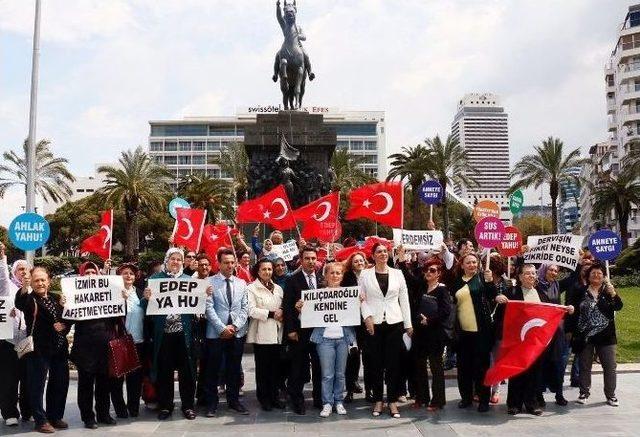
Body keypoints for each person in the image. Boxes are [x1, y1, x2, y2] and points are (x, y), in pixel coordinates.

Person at [142, 248, 212, 421]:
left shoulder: (189, 281)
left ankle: (188, 406)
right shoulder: (154, 280)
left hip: (184, 335)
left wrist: (205, 295)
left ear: (183, 262)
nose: (176, 262)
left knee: (187, 371)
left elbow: (198, 307)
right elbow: (145, 309)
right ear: (167, 261)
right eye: (172, 259)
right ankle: (166, 405)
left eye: (179, 259)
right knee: (164, 372)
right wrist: (146, 298)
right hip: (164, 335)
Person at [499, 264, 573, 416]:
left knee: (535, 372)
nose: (531, 276)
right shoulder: (512, 292)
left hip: (535, 342)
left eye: (533, 273)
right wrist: (499, 298)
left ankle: (532, 403)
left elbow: (551, 311)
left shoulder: (541, 294)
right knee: (517, 371)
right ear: (520, 276)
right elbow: (502, 314)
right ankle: (514, 404)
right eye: (527, 273)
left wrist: (566, 309)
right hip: (517, 341)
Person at [359, 242, 413, 418]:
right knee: (375, 364)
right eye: (379, 251)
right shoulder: (365, 275)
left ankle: (392, 401)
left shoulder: (397, 273)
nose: (383, 254)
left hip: (394, 322)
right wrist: (367, 318)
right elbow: (362, 299)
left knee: (393, 364)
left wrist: (408, 324)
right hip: (373, 324)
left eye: (385, 251)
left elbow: (404, 299)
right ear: (373, 255)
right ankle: (378, 400)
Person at [15, 266, 70, 434]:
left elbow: (68, 318)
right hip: (39, 350)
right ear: (31, 282)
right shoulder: (30, 300)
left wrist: (64, 326)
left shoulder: (57, 298)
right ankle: (41, 420)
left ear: (49, 280)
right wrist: (24, 287)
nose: (40, 283)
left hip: (59, 349)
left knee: (60, 383)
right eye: (36, 280)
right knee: (36, 386)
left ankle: (55, 416)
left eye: (43, 280)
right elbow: (20, 303)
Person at [69, 261, 119, 429]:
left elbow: (119, 317)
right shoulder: (74, 295)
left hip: (105, 346)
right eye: (87, 272)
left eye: (93, 272)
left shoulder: (110, 294)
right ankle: (88, 417)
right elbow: (68, 319)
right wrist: (65, 303)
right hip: (85, 348)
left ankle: (104, 414)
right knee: (86, 385)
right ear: (82, 275)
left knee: (104, 384)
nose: (91, 275)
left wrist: (122, 300)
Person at [567, 263, 623, 406]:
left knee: (610, 366)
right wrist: (571, 327)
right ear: (588, 275)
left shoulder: (608, 290)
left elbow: (619, 306)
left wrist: (614, 294)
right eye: (593, 273)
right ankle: (584, 393)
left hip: (606, 336)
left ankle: (611, 395)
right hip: (585, 336)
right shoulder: (580, 291)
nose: (596, 275)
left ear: (604, 276)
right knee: (585, 365)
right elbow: (572, 309)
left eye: (599, 273)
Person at [204, 248, 249, 416]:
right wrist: (222, 328)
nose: (230, 265)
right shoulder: (209, 282)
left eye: (232, 262)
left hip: (236, 333)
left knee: (234, 369)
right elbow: (208, 308)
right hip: (216, 334)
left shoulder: (241, 283)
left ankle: (234, 401)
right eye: (226, 262)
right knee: (213, 369)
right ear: (219, 263)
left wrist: (235, 326)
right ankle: (211, 404)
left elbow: (245, 308)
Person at [308, 262, 357, 417]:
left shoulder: (350, 294)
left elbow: (356, 315)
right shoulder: (317, 295)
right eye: (332, 273)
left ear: (342, 276)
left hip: (343, 339)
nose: (335, 276)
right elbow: (306, 317)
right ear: (326, 275)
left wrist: (360, 302)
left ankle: (339, 401)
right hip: (324, 340)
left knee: (340, 373)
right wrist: (301, 307)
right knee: (327, 374)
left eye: (338, 273)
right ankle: (327, 403)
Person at [452, 253, 497, 413]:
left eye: (474, 262)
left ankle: (483, 399)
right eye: (468, 262)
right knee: (464, 368)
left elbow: (493, 296)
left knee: (481, 368)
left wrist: (490, 281)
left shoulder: (483, 278)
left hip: (482, 333)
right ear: (462, 265)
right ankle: (466, 398)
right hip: (463, 334)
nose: (472, 265)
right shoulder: (456, 282)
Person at [283, 246, 323, 415]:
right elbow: (287, 306)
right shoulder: (292, 280)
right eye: (307, 258)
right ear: (301, 259)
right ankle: (297, 399)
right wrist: (291, 329)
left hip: (319, 331)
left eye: (313, 258)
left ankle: (319, 398)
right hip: (300, 331)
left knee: (319, 365)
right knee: (298, 367)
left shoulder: (322, 280)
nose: (311, 261)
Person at [411, 259, 451, 411]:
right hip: (420, 333)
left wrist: (430, 320)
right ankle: (422, 397)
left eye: (433, 270)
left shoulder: (442, 289)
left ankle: (438, 401)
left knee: (436, 367)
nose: (429, 272)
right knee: (419, 366)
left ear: (439, 274)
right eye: (427, 270)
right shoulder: (421, 287)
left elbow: (446, 311)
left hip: (435, 334)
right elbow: (409, 278)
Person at [246, 258, 286, 411]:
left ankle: (274, 396)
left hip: (277, 333)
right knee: (263, 369)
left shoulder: (278, 288)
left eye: (270, 269)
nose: (267, 272)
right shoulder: (252, 288)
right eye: (264, 269)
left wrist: (282, 311)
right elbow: (251, 310)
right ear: (258, 271)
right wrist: (270, 314)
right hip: (261, 333)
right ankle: (264, 399)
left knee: (275, 369)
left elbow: (281, 306)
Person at [0, 243, 31, 427]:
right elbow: (2, 278)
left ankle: (28, 411)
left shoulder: (32, 289)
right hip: (9, 341)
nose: (22, 272)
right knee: (9, 379)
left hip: (28, 341)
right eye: (19, 269)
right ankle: (10, 412)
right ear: (14, 271)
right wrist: (2, 258)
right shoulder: (7, 288)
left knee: (28, 379)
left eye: (26, 269)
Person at [110, 263, 145, 418]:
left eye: (131, 273)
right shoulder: (113, 293)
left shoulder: (141, 293)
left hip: (138, 341)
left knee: (135, 379)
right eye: (125, 273)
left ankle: (134, 407)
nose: (128, 276)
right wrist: (120, 300)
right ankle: (120, 409)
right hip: (120, 342)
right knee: (118, 379)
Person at [341, 251, 369, 403]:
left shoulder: (370, 276)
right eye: (356, 261)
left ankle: (367, 387)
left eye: (361, 260)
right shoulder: (346, 277)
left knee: (368, 355)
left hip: (367, 321)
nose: (359, 263)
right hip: (351, 321)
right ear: (351, 263)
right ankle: (350, 388)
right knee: (352, 354)